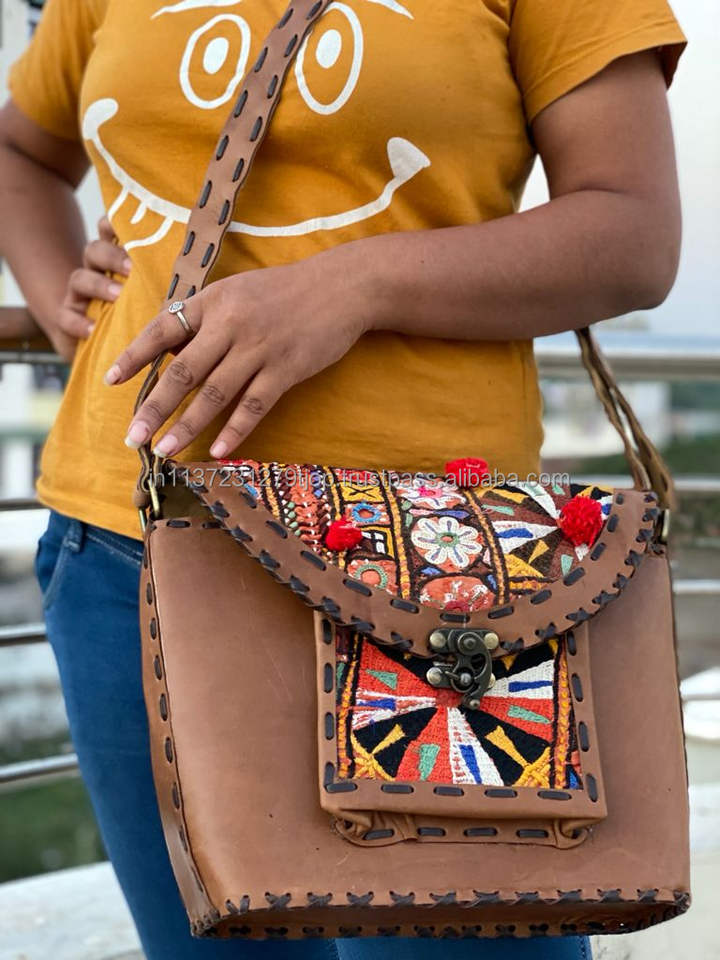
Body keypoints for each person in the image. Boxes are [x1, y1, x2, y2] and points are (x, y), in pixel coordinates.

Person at [0, 0, 686, 957]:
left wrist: (354, 285)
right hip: (130, 545)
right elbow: (22, 152)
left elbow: (633, 234)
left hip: (440, 577)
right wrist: (62, 304)